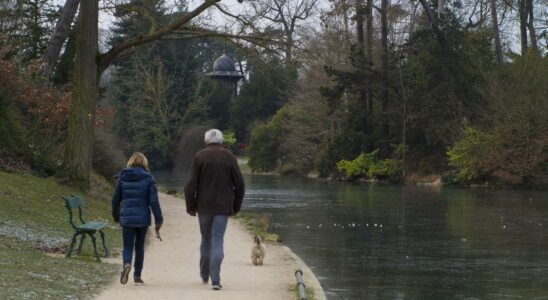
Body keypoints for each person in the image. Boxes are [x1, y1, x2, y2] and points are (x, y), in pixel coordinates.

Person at [184, 129, 245, 291]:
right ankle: (216, 280)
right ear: (221, 141)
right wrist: (236, 206)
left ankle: (204, 274)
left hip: (203, 205)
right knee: (218, 239)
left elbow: (191, 183)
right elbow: (240, 184)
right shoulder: (230, 157)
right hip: (223, 206)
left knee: (205, 239)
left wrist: (190, 206)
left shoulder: (199, 156)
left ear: (206, 141)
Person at [112, 152, 163, 286]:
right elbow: (153, 201)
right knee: (139, 246)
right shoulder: (148, 178)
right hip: (142, 218)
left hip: (127, 217)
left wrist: (116, 216)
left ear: (130, 162)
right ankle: (137, 276)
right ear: (144, 163)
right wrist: (159, 218)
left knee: (127, 246)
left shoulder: (123, 177)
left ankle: (127, 264)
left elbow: (116, 200)